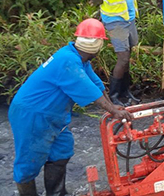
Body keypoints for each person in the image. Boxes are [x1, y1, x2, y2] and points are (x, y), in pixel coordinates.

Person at [8, 18, 133, 196]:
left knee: (61, 151)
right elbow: (88, 90)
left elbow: (96, 85)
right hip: (33, 114)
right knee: (29, 161)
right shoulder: (68, 60)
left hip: (52, 114)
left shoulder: (79, 58)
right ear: (98, 44)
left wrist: (112, 107)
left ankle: (57, 193)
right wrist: (113, 111)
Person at [90, 0, 139, 106]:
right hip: (115, 20)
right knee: (123, 57)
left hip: (128, 17)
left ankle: (125, 91)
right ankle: (114, 94)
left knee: (128, 55)